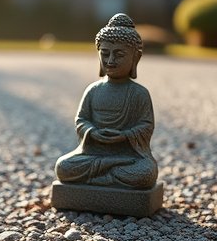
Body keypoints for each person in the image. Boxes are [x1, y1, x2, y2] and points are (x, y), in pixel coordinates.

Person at [55, 13, 158, 189]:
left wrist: (125, 135)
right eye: (105, 54)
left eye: (119, 55)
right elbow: (81, 120)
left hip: (128, 156)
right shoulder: (93, 90)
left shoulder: (139, 93)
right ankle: (109, 173)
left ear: (136, 57)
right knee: (63, 167)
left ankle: (101, 175)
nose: (110, 61)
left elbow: (146, 125)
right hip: (94, 153)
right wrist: (93, 132)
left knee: (146, 173)